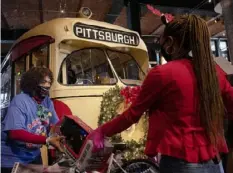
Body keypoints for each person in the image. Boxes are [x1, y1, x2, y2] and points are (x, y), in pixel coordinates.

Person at [89, 14, 233, 173]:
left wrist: (102, 130)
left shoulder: (162, 74)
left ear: (171, 42)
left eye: (163, 43)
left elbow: (132, 115)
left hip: (180, 163)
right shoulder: (215, 73)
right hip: (215, 163)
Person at [1, 67, 64, 173]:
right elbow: (15, 133)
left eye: (49, 82)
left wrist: (60, 134)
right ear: (33, 83)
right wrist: (47, 140)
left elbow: (52, 124)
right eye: (43, 82)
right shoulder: (20, 101)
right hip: (12, 158)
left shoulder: (45, 102)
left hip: (33, 155)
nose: (47, 86)